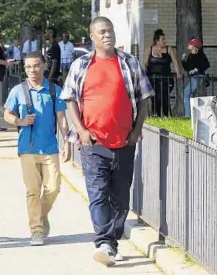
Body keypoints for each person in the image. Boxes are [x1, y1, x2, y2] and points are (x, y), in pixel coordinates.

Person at [60, 17, 155, 266]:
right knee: (98, 194)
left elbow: (144, 97)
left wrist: (137, 131)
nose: (107, 35)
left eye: (110, 31)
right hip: (93, 143)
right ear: (92, 36)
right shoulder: (81, 65)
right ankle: (104, 241)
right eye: (101, 32)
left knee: (121, 197)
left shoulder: (129, 63)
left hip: (124, 141)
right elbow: (69, 99)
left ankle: (111, 242)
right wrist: (80, 131)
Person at [4, 52, 71, 246]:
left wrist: (67, 142)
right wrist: (20, 121)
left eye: (36, 65)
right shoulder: (18, 90)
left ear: (43, 66)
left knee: (53, 188)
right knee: (32, 190)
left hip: (50, 147)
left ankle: (40, 215)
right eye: (28, 67)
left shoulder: (54, 90)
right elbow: (7, 114)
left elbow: (62, 118)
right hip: (27, 147)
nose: (32, 70)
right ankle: (36, 230)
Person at [142, 29, 181, 117]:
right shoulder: (149, 49)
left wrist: (178, 73)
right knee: (155, 97)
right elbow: (144, 63)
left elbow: (175, 62)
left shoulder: (169, 49)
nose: (164, 41)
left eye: (165, 39)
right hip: (153, 77)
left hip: (166, 77)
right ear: (157, 41)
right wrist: (144, 74)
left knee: (165, 96)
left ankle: (167, 115)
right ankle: (156, 114)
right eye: (162, 39)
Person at [181, 38, 211, 118]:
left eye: (190, 44)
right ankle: (193, 114)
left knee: (187, 94)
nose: (188, 45)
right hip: (193, 78)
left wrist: (196, 69)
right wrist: (183, 61)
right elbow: (187, 68)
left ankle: (188, 115)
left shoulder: (201, 55)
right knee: (191, 95)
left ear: (195, 47)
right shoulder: (190, 55)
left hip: (199, 77)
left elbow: (206, 65)